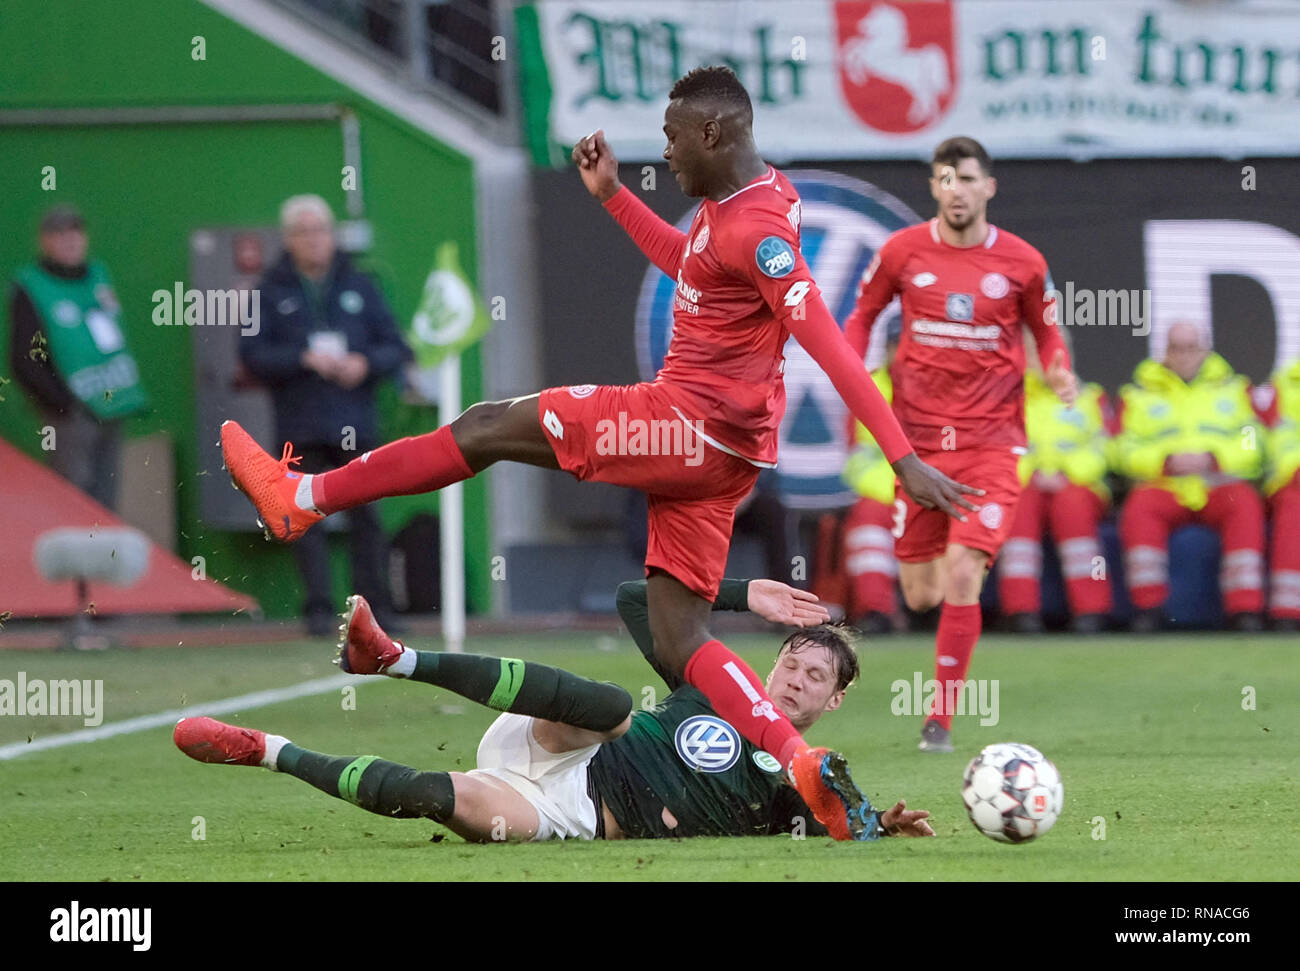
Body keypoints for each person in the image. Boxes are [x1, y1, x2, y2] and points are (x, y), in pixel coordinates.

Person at [216, 67, 976, 839]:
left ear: (714, 133)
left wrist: (902, 456)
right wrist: (615, 195)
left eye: (675, 136)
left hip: (681, 426)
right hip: (726, 455)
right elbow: (692, 266)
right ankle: (798, 761)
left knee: (484, 426)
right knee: (684, 638)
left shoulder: (762, 231)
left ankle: (303, 498)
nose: (668, 151)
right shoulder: (747, 202)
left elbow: (831, 345)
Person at [174, 580, 934, 841]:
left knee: (450, 800)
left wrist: (882, 825)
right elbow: (637, 598)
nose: (795, 679)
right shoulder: (714, 679)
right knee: (612, 706)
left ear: (834, 700)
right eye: (792, 660)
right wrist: (739, 596)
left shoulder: (797, 780)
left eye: (814, 676)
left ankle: (265, 748)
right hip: (569, 735)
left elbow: (838, 824)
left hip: (567, 808)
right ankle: (394, 658)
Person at [843, 136, 1078, 753]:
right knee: (921, 593)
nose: (957, 189)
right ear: (934, 188)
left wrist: (1056, 369)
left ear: (987, 188)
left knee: (963, 571)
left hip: (992, 443)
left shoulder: (1024, 261)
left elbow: (1048, 334)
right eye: (946, 178)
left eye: (968, 178)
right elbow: (862, 315)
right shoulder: (902, 251)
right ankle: (939, 696)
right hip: (917, 446)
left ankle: (939, 721)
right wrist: (852, 365)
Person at [239, 194, 412, 636]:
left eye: (321, 231)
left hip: (356, 422)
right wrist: (303, 359)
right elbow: (253, 356)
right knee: (302, 520)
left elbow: (396, 345)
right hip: (301, 424)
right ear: (288, 239)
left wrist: (364, 364)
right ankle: (317, 612)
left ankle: (374, 614)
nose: (314, 241)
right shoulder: (269, 291)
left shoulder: (361, 284)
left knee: (367, 519)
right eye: (304, 232)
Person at [1115, 322, 1267, 632]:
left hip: (1218, 482)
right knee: (1140, 507)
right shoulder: (1139, 393)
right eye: (1175, 348)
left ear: (1205, 350)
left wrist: (1214, 458)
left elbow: (1255, 441)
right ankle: (1149, 608)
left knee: (1246, 505)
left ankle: (1245, 610)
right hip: (1165, 483)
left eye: (1190, 347)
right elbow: (1121, 448)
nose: (1183, 355)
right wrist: (1164, 461)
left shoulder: (1235, 389)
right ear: (1165, 352)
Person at [8, 204, 150, 510]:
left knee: (107, 497)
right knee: (73, 499)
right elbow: (24, 359)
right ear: (44, 241)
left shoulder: (96, 275)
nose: (70, 240)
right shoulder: (31, 286)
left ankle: (104, 559)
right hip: (71, 412)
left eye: (75, 232)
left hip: (112, 402)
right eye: (59, 234)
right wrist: (62, 403)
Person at [997, 329, 1114, 634]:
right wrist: (1034, 472)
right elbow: (998, 451)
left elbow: (1103, 451)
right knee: (1019, 508)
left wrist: (1065, 471)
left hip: (1077, 484)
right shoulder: (1007, 399)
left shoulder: (1089, 397)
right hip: (1025, 483)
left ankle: (1092, 611)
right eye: (1038, 350)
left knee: (1073, 509)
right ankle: (1020, 611)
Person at [840, 318, 903, 634]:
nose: (902, 353)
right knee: (868, 520)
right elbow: (855, 456)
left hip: (930, 490)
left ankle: (942, 610)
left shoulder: (942, 388)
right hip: (878, 489)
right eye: (896, 345)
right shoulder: (867, 388)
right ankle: (876, 611)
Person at [1261, 357, 1300, 631]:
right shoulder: (1287, 385)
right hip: (1295, 476)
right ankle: (1287, 610)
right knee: (1293, 503)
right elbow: (1278, 441)